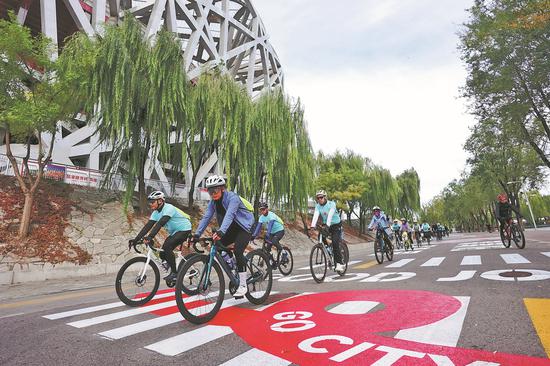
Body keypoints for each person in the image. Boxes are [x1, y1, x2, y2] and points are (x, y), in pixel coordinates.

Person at [193, 175, 255, 298]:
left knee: (238, 251)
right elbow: (206, 217)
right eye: (210, 191)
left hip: (245, 227)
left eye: (215, 190)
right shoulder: (213, 202)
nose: (213, 194)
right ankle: (234, 265)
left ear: (222, 188)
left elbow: (230, 215)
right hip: (231, 228)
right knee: (219, 246)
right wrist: (197, 234)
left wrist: (221, 231)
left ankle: (243, 285)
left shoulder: (233, 198)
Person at [129, 191, 192, 282]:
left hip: (185, 229)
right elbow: (148, 226)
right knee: (162, 253)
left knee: (167, 246)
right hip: (175, 232)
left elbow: (160, 223)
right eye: (150, 202)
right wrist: (136, 239)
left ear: (160, 201)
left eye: (152, 202)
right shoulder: (155, 213)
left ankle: (175, 273)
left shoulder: (168, 208)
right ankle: (170, 264)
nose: (150, 204)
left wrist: (150, 237)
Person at [309, 190, 345, 272]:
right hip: (326, 225)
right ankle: (329, 252)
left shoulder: (331, 204)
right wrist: (312, 226)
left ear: (325, 197)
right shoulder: (318, 206)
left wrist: (328, 225)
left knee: (335, 243)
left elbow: (330, 215)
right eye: (318, 198)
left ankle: (339, 263)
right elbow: (316, 215)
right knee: (320, 238)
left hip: (336, 225)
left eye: (321, 197)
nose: (319, 199)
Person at [251, 202, 285, 267]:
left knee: (274, 241)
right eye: (261, 210)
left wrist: (268, 233)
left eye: (263, 209)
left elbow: (270, 224)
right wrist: (254, 235)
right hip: (272, 232)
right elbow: (258, 227)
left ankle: (284, 253)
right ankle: (273, 262)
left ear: (267, 209)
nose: (262, 211)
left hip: (280, 230)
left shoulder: (271, 215)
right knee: (267, 249)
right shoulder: (261, 217)